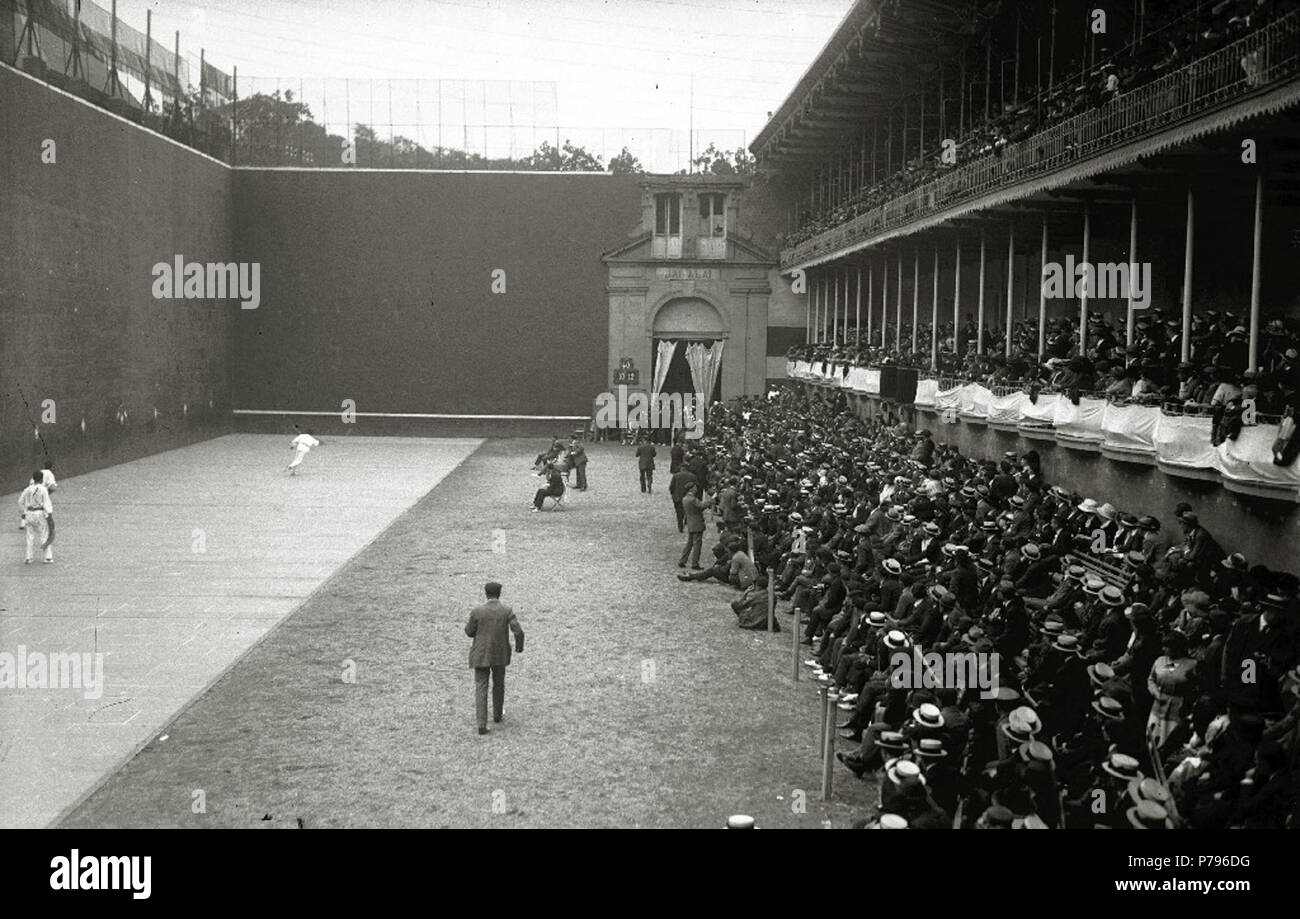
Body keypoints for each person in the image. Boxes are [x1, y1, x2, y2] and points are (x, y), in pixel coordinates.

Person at [464, 582, 525, 735]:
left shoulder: (477, 611)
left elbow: (469, 631)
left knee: (481, 686)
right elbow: (518, 631)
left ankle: (481, 724)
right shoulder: (506, 610)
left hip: (481, 654)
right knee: (499, 684)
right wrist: (519, 646)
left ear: (486, 594)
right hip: (499, 653)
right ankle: (497, 714)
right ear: (499, 593)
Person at [17, 470, 53, 564]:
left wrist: (23, 512)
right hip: (40, 513)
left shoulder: (27, 489)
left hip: (29, 513)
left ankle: (29, 558)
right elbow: (47, 503)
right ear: (41, 479)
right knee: (44, 534)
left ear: (33, 478)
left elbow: (20, 501)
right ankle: (47, 557)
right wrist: (49, 514)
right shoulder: (43, 489)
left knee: (29, 536)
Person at [679, 486, 715, 569]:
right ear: (690, 489)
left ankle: (682, 560)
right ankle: (695, 563)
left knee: (689, 543)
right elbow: (702, 506)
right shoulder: (692, 499)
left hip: (690, 523)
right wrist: (711, 500)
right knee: (697, 545)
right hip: (697, 523)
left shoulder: (685, 498)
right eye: (694, 487)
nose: (696, 489)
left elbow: (696, 509)